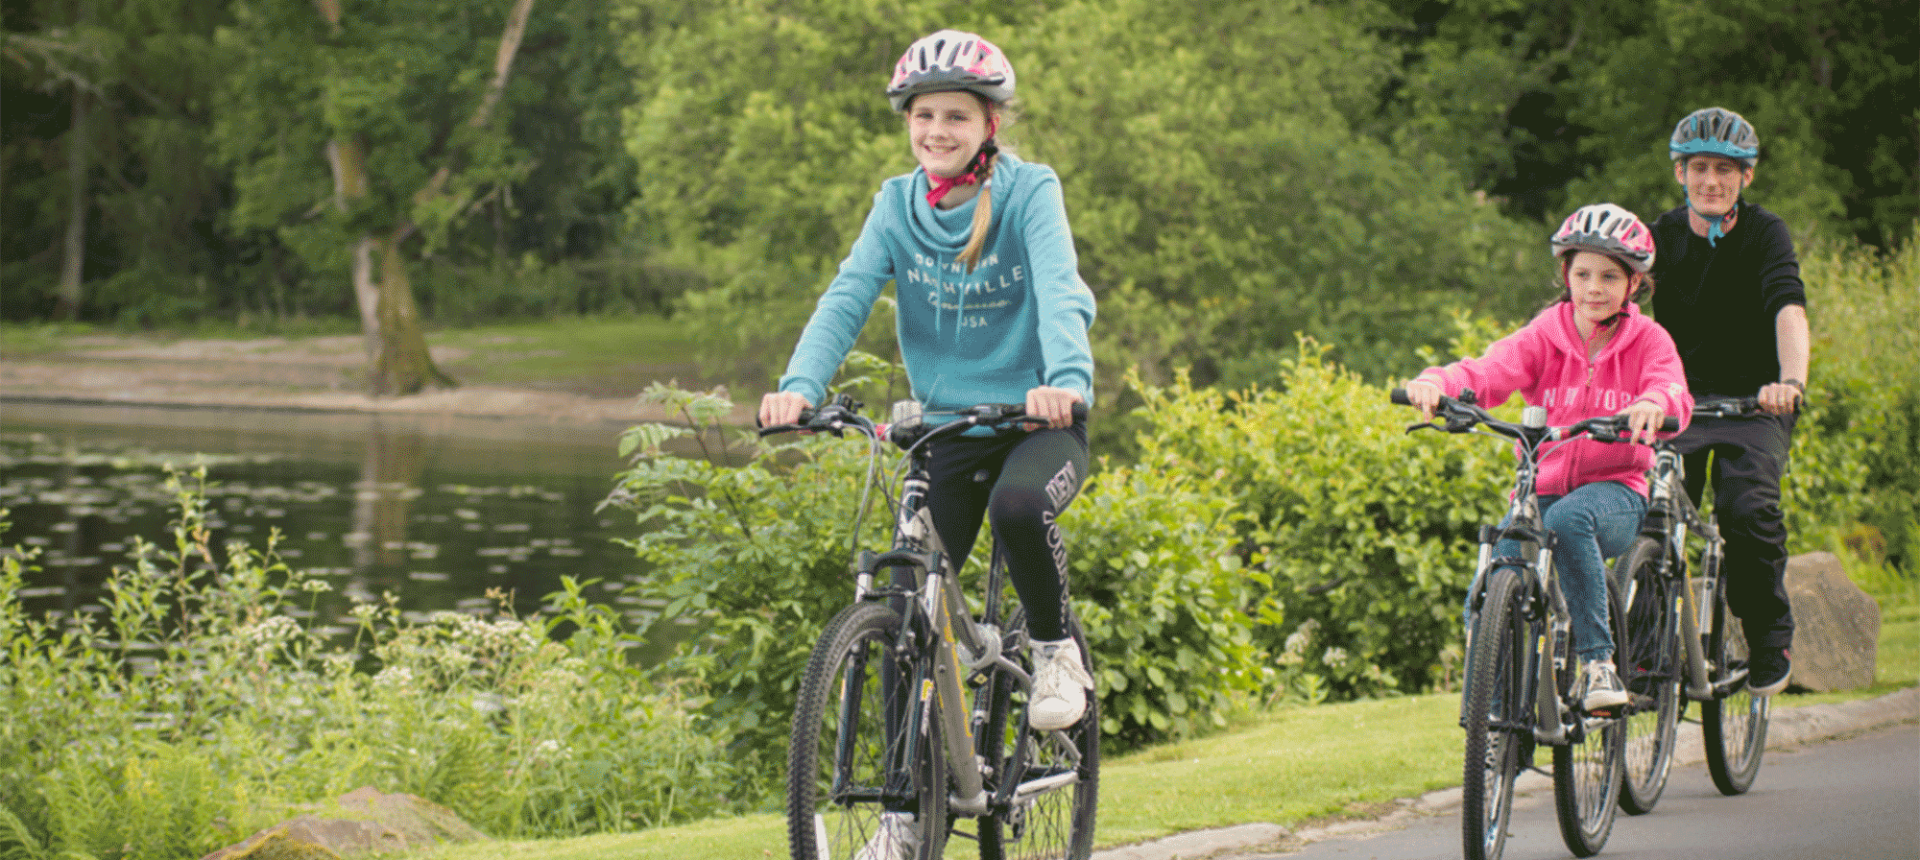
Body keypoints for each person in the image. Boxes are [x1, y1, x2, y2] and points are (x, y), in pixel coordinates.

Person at [759, 29, 1096, 855]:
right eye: (923, 116)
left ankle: (1054, 654)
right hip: (943, 427)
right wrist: (801, 388)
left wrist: (1066, 380)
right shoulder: (895, 204)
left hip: (1033, 422)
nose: (936, 131)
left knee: (1020, 507)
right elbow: (846, 295)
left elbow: (1060, 291)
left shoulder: (1028, 192)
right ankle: (906, 818)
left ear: (988, 124)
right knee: (904, 605)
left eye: (955, 116)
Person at [1405, 203, 1693, 713]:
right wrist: (1437, 382)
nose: (1594, 287)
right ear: (1566, 274)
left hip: (1617, 492)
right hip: (1541, 485)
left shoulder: (1649, 339)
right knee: (1495, 576)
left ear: (1634, 284)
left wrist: (1655, 403)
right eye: (1582, 274)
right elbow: (1488, 371)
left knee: (1568, 520)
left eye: (1609, 276)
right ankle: (1493, 729)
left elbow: (1670, 387)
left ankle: (1598, 663)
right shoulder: (1546, 333)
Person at [1650, 106, 1808, 696]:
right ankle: (1643, 646)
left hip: (1754, 407)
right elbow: (1622, 304)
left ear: (1745, 177)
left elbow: (1787, 306)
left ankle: (1769, 637)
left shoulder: (1767, 233)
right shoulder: (1661, 235)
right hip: (1677, 405)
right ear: (1679, 173)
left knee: (1747, 512)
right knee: (1648, 512)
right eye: (1698, 168)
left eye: (1725, 169)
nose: (1710, 180)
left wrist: (1789, 381)